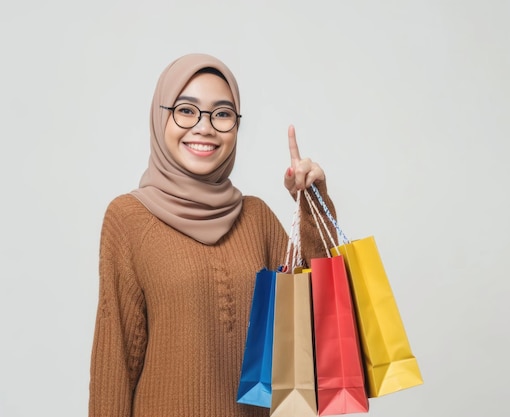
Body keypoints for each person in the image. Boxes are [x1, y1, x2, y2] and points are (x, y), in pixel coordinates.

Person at [88, 53, 335, 417]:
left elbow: (320, 322)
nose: (204, 127)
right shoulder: (128, 219)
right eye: (186, 110)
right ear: (161, 117)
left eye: (222, 114)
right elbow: (116, 360)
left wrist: (311, 200)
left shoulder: (256, 218)